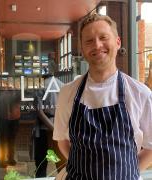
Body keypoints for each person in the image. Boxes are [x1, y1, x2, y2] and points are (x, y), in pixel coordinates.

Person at [53, 13, 152, 180]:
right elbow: (62, 141)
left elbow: (150, 147)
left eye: (103, 37)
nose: (97, 45)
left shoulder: (140, 93)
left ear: (117, 42)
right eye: (89, 41)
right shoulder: (67, 93)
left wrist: (129, 173)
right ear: (83, 50)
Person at [0, 91, 20, 167]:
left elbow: (19, 100)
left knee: (11, 139)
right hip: (4, 118)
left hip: (14, 118)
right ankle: (2, 160)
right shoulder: (3, 93)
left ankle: (10, 158)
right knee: (3, 140)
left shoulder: (17, 92)